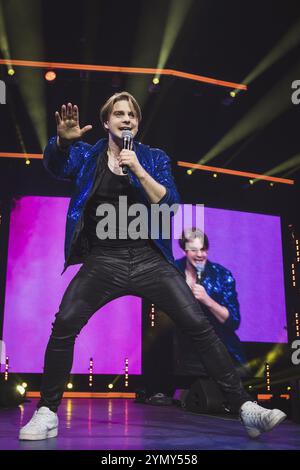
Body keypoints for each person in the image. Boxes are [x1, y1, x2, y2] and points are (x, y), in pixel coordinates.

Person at [19, 92, 286, 441]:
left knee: (197, 323)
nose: (126, 119)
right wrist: (60, 143)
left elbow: (170, 202)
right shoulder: (87, 154)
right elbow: (55, 167)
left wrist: (138, 169)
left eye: (132, 114)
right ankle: (47, 411)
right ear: (106, 122)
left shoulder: (153, 158)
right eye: (118, 113)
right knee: (65, 322)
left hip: (149, 258)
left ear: (137, 123)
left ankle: (245, 408)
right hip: (104, 260)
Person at [174, 227, 249, 378]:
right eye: (194, 250)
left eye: (203, 249)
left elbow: (234, 321)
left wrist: (207, 300)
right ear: (184, 251)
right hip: (184, 350)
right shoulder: (173, 272)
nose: (200, 255)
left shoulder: (222, 275)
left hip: (219, 348)